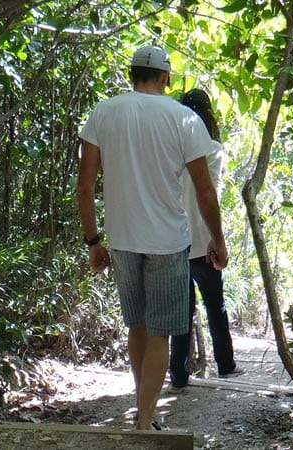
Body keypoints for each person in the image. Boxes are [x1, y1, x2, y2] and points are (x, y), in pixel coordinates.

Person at [76, 46, 228, 430]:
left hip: (123, 239)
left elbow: (85, 184)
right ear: (165, 77)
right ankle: (144, 421)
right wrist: (217, 239)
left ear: (132, 75)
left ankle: (142, 411)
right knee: (160, 331)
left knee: (138, 327)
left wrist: (94, 241)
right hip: (167, 242)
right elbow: (205, 191)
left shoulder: (104, 112)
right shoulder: (185, 119)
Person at [167, 89, 243, 394]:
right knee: (215, 305)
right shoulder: (213, 149)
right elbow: (212, 194)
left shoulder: (170, 150)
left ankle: (178, 375)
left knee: (182, 311)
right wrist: (218, 239)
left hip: (173, 240)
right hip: (205, 240)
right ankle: (226, 365)